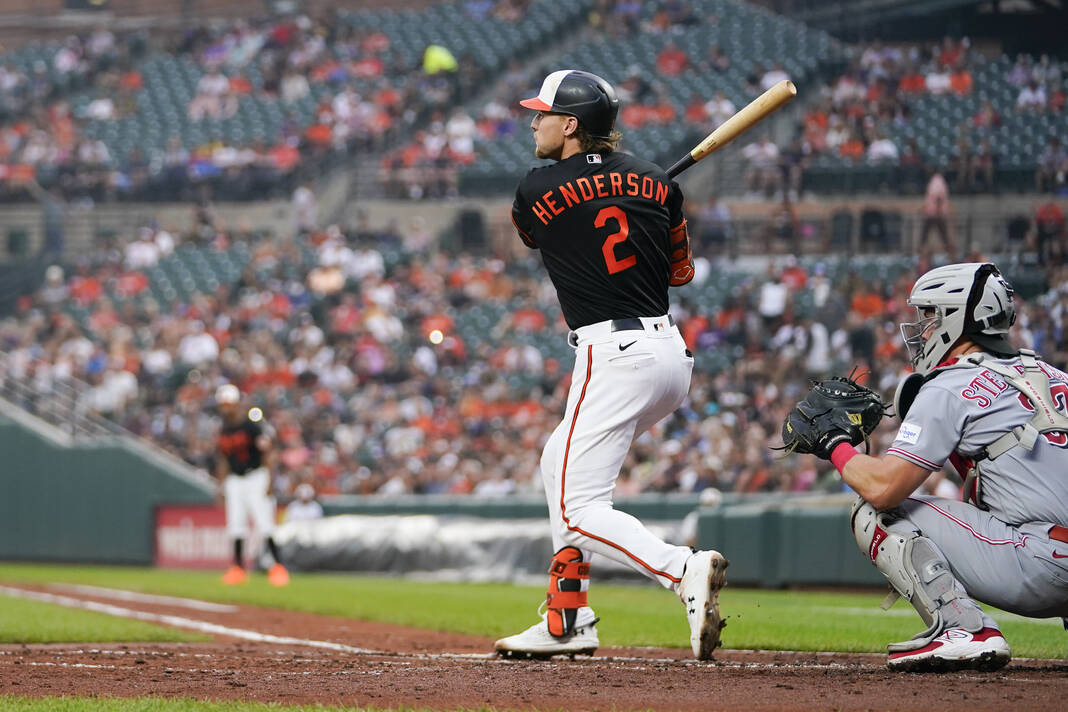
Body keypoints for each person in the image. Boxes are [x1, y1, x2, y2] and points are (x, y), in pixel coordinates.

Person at [496, 69, 727, 661]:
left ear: (570, 125)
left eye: (543, 114)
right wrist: (638, 194)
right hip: (669, 355)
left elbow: (531, 232)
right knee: (557, 463)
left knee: (579, 510)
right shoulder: (657, 183)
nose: (534, 122)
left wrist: (596, 195)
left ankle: (681, 570)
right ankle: (566, 616)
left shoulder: (535, 187)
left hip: (612, 354)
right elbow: (681, 273)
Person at [819, 263, 1068, 671]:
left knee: (876, 511)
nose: (923, 329)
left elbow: (884, 488)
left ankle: (964, 629)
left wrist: (836, 447)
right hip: (1049, 550)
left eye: (930, 316)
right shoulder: (1054, 376)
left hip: (1041, 566)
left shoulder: (950, 384)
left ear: (957, 319)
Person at [215, 384, 290, 587]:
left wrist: (270, 481)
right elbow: (222, 458)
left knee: (265, 523)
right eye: (223, 405)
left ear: (237, 404)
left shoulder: (252, 425)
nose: (225, 409)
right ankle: (238, 568)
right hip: (235, 480)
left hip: (256, 476)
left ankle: (278, 566)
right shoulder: (223, 428)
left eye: (228, 404)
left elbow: (269, 453)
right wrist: (220, 485)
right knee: (236, 525)